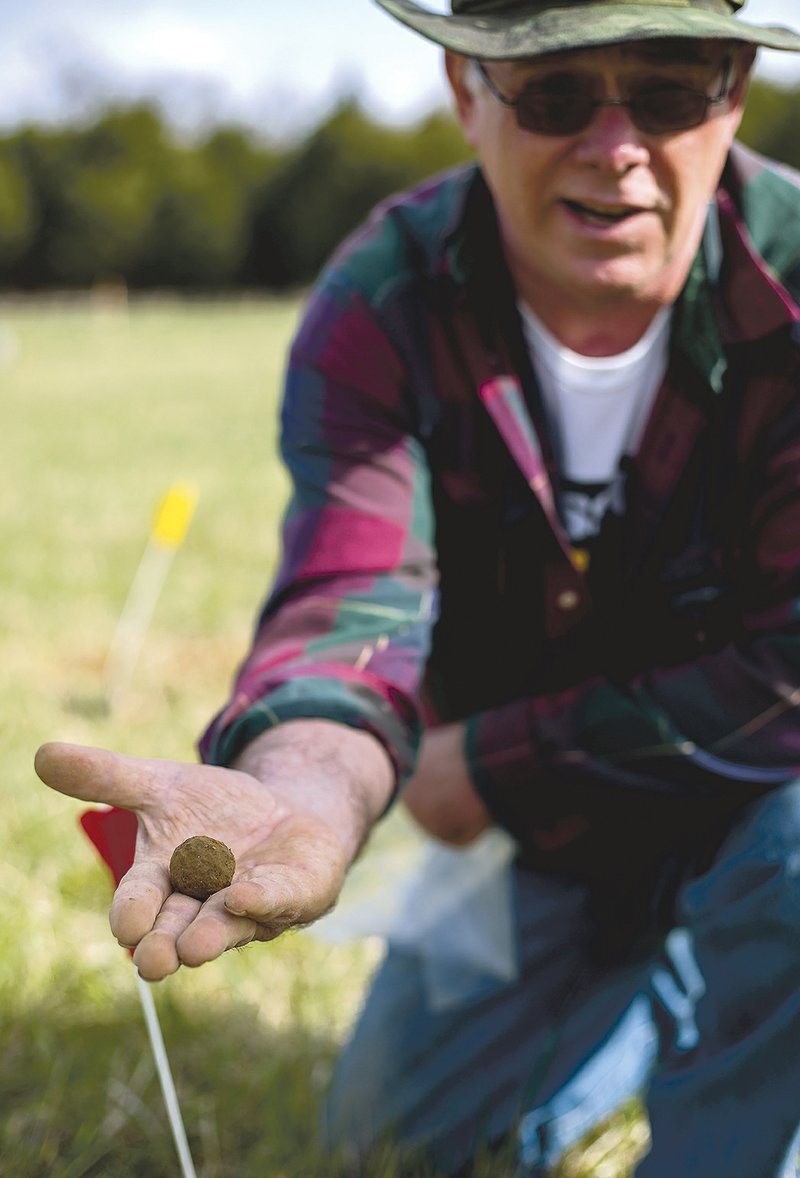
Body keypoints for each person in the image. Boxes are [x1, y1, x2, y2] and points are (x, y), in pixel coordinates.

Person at [35, 0, 800, 1174]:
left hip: (755, 808)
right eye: (552, 94)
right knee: (387, 1139)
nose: (613, 147)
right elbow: (353, 597)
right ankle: (647, 999)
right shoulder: (384, 299)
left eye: (666, 87)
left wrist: (485, 764)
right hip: (542, 840)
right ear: (464, 91)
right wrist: (307, 782)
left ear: (734, 87)